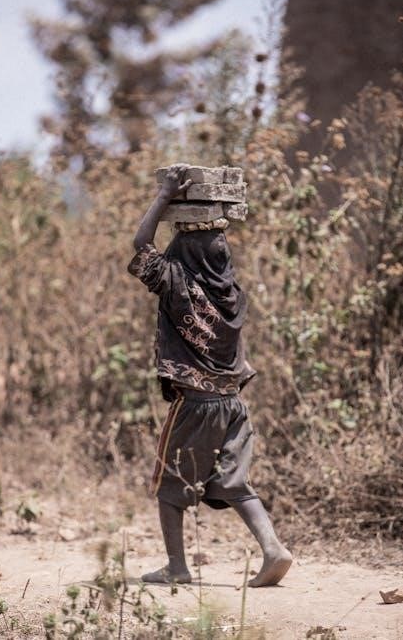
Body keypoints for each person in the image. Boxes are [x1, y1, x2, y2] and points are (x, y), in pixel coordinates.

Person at [128, 163, 292, 587]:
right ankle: (273, 549)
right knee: (235, 482)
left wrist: (165, 194)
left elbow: (142, 244)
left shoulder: (176, 283)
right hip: (234, 405)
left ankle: (177, 567)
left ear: (183, 252)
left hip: (195, 404)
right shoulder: (233, 295)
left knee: (171, 484)